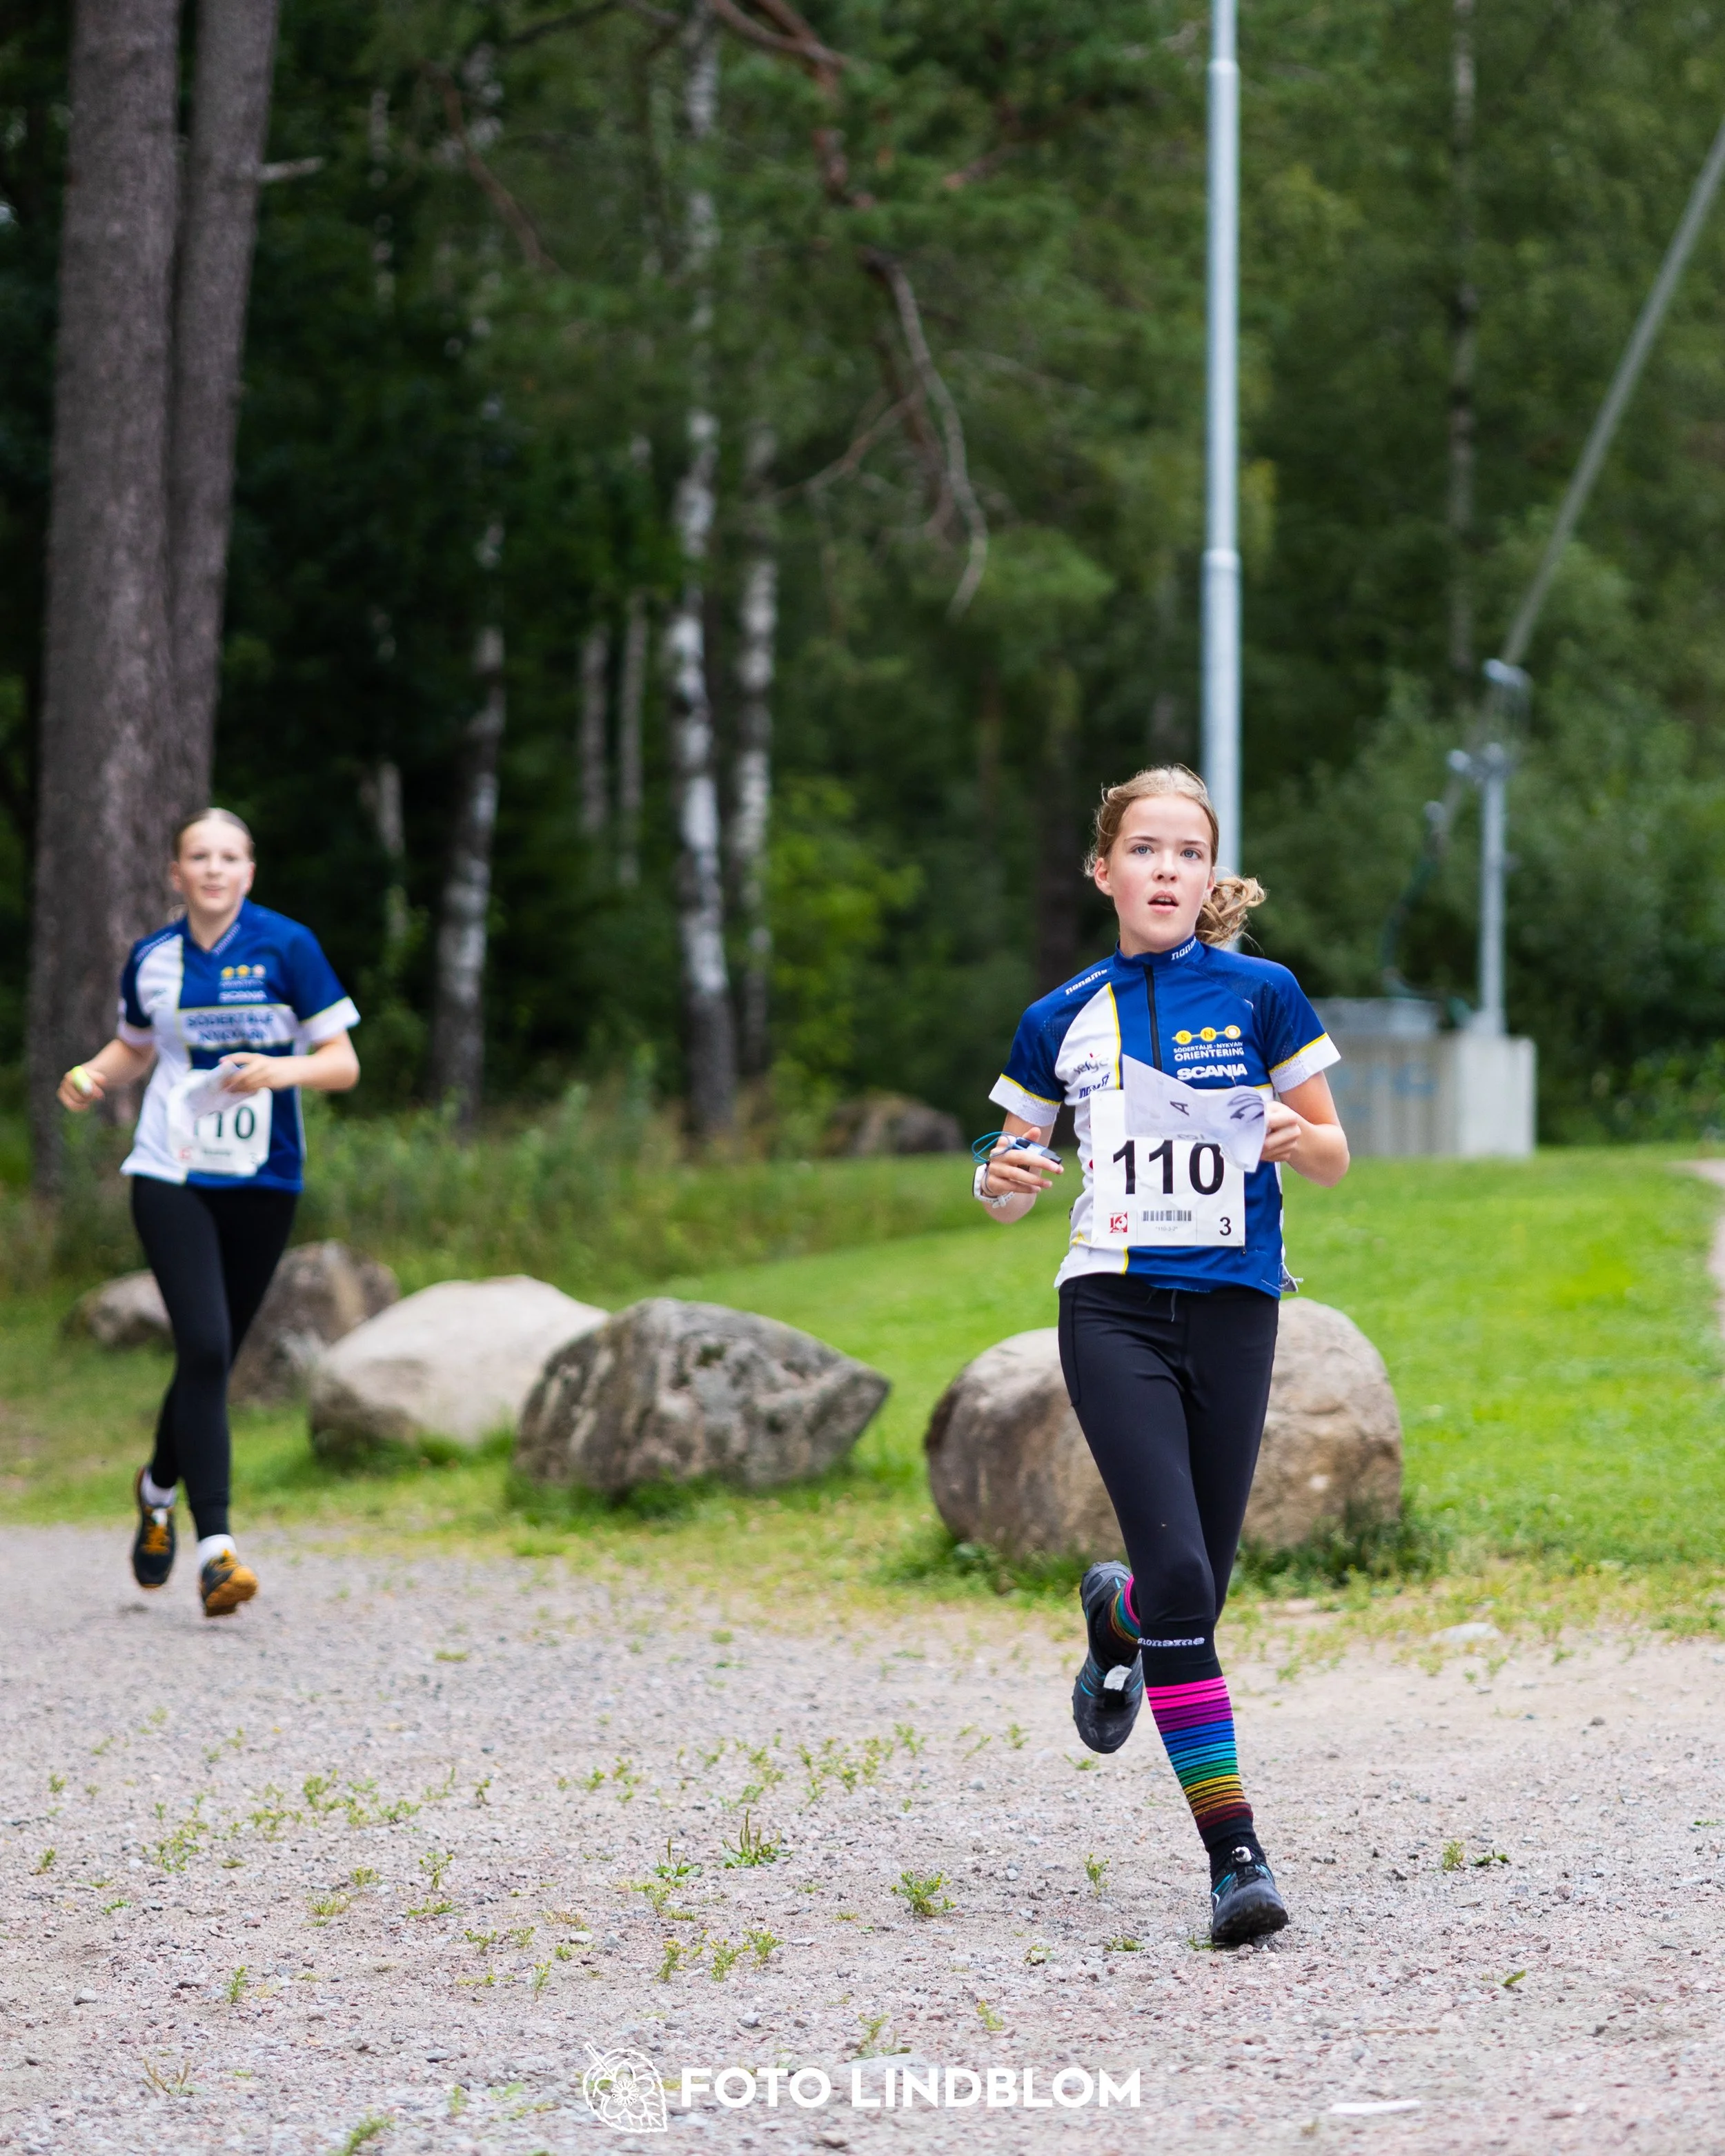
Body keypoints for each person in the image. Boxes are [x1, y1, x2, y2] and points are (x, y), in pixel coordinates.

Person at [974, 765, 1348, 1948]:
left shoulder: (1265, 993)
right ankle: (1235, 1856)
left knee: (1192, 1588)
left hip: (1238, 1307)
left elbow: (1333, 1154)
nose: (1168, 870)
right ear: (1105, 871)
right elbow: (1007, 1170)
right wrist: (999, 1179)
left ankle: (1118, 1614)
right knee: (1192, 1581)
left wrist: (1299, 1136)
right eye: (1145, 850)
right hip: (1114, 1310)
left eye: (1188, 852)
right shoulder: (1059, 1015)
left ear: (1208, 872)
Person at [58, 809, 360, 1616]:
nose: (215, 869)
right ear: (177, 872)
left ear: (249, 871)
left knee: (209, 1359)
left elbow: (342, 1061)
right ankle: (217, 1548)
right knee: (205, 1340)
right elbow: (135, 1045)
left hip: (265, 1178)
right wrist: (92, 1073)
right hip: (171, 1170)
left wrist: (279, 1070)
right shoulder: (153, 958)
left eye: (230, 856)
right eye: (200, 856)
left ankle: (157, 1490)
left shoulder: (288, 946)